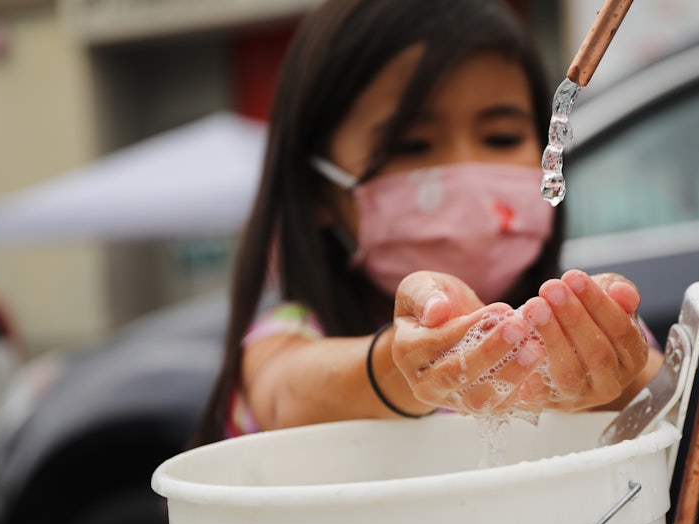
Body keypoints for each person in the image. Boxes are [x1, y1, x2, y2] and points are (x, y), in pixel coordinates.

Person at [192, 0, 662, 447]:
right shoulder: (284, 342)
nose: (466, 170)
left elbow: (662, 397)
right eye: (411, 146)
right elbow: (287, 395)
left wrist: (612, 365)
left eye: (501, 137)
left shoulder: (577, 328)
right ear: (320, 193)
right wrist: (405, 361)